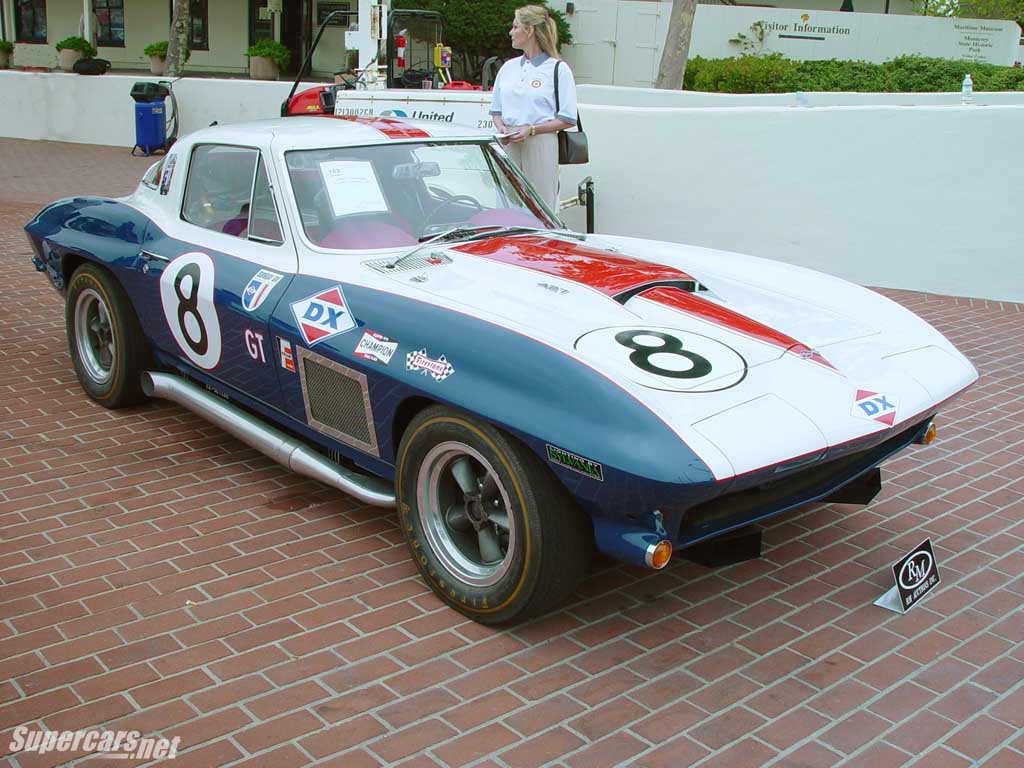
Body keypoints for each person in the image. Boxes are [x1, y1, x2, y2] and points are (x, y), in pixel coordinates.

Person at [489, 5, 578, 210]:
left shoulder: (558, 69)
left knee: (541, 204)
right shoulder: (508, 68)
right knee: (506, 202)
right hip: (508, 142)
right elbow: (496, 111)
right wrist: (501, 126)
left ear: (529, 31)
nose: (511, 32)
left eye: (515, 27)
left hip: (540, 143)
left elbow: (567, 117)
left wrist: (533, 129)